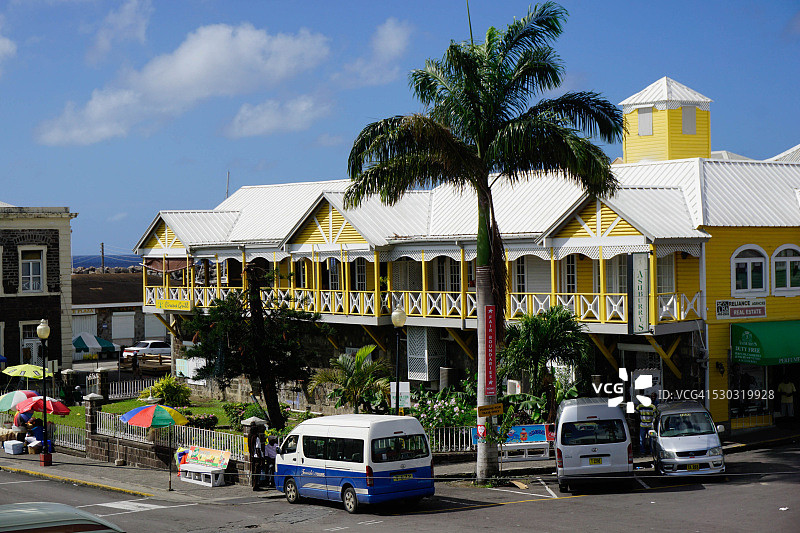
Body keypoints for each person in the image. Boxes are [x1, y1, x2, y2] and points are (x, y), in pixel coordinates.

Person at [249, 426, 265, 491]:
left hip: (252, 456)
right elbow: (258, 448)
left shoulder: (250, 437)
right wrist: (261, 458)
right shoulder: (256, 438)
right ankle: (256, 486)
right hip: (257, 457)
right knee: (257, 472)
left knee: (253, 471)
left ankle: (254, 484)